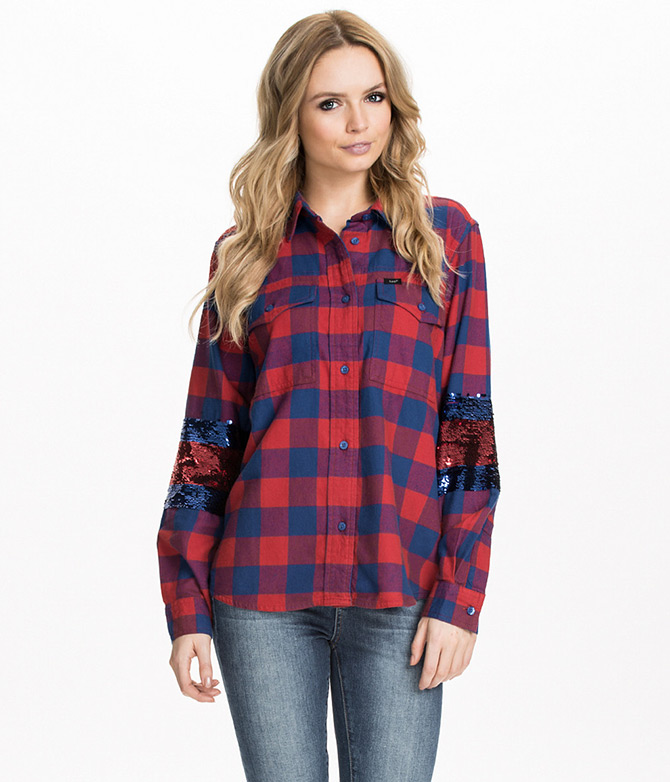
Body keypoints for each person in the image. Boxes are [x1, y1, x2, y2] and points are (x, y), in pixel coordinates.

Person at [156, 9, 500, 782]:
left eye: (374, 97)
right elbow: (207, 443)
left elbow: (468, 434)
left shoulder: (447, 239)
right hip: (262, 593)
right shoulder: (245, 255)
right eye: (329, 102)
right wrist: (185, 604)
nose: (358, 122)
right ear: (292, 115)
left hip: (401, 586)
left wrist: (460, 595)